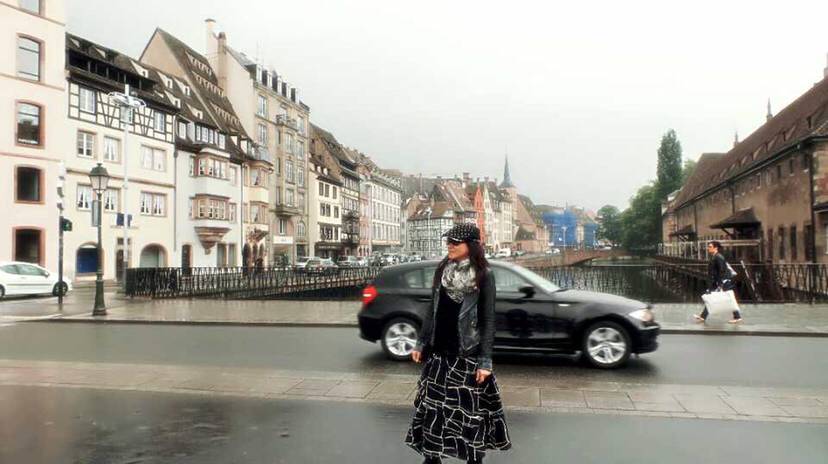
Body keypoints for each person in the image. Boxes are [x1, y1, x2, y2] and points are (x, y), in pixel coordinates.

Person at [405, 223, 512, 464]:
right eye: (448, 241)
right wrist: (421, 342)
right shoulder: (443, 270)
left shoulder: (484, 275)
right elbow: (432, 310)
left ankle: (474, 459)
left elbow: (488, 320)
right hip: (439, 356)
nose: (450, 245)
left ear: (471, 246)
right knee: (434, 411)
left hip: (466, 356)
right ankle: (432, 458)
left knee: (468, 415)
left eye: (455, 242)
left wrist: (485, 362)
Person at [694, 240, 743, 323]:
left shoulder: (718, 257)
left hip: (723, 282)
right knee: (713, 297)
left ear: (715, 248)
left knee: (729, 298)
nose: (708, 248)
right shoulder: (715, 256)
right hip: (719, 281)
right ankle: (703, 316)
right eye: (708, 247)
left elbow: (722, 270)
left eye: (710, 247)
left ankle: (737, 317)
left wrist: (720, 283)